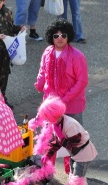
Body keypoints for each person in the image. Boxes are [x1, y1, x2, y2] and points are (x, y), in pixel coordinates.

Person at [33, 96, 97, 185]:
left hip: (82, 154)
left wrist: (61, 139)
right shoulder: (57, 123)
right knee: (78, 182)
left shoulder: (69, 124)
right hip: (76, 155)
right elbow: (57, 142)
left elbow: (75, 143)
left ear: (52, 114)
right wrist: (48, 154)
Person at [35, 18, 88, 174]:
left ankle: (74, 173)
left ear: (68, 37)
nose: (59, 38)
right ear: (51, 36)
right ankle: (47, 174)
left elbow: (82, 81)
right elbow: (42, 72)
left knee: (74, 140)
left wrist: (64, 100)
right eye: (56, 35)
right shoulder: (47, 52)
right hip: (51, 107)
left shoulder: (77, 56)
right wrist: (39, 84)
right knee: (50, 141)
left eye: (63, 35)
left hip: (72, 106)